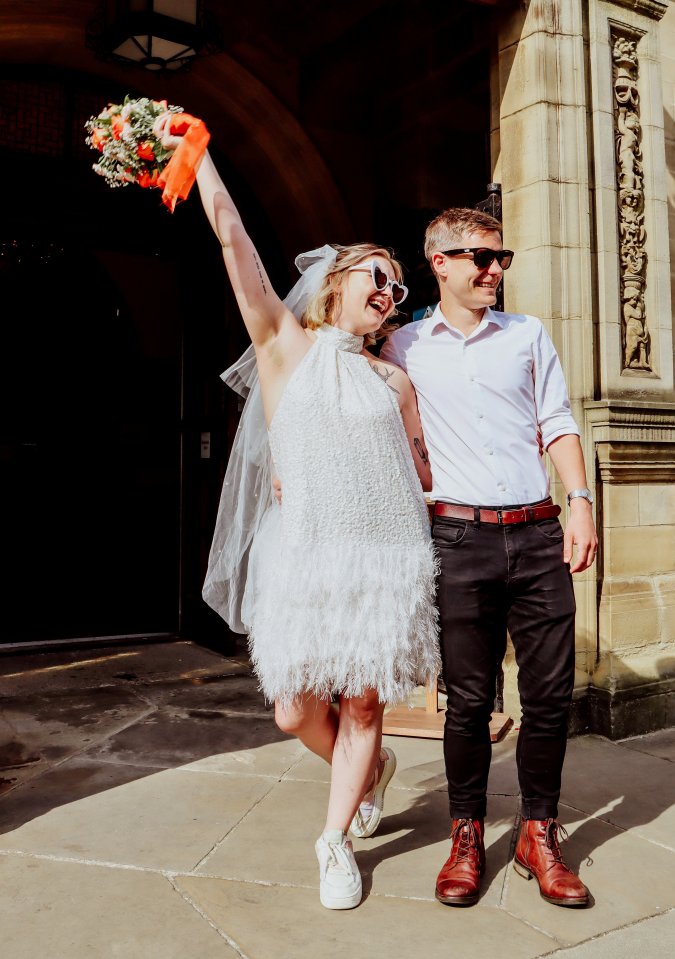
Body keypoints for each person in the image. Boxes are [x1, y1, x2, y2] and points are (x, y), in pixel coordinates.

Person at [157, 125, 440, 911]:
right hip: (308, 560)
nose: (389, 292)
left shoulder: (394, 382)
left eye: (396, 288)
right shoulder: (285, 345)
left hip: (385, 557)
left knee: (362, 704)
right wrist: (201, 153)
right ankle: (371, 771)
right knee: (291, 712)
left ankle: (334, 841)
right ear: (337, 282)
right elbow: (235, 242)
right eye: (376, 278)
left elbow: (423, 471)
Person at [380, 207, 598, 908]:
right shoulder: (402, 347)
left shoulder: (527, 335)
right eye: (478, 256)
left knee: (547, 697)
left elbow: (555, 420)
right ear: (437, 262)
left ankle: (539, 831)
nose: (493, 269)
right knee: (468, 702)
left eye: (500, 256)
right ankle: (467, 833)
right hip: (456, 539)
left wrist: (581, 500)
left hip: (537, 534)